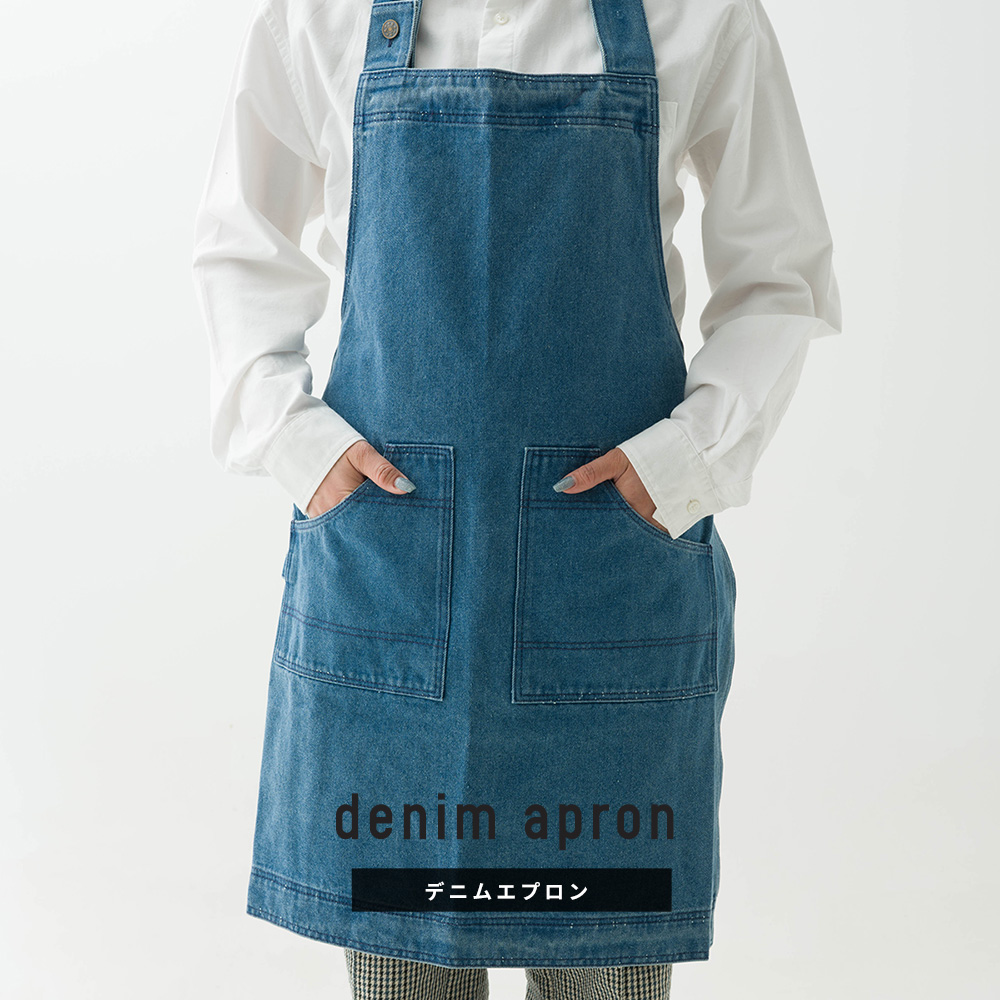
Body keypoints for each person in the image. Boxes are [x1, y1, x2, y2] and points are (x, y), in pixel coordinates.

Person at [192, 0, 841, 997]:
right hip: (396, 584)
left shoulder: (701, 16)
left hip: (606, 591)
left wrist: (687, 461)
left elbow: (780, 275)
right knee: (407, 968)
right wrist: (293, 441)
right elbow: (242, 246)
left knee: (604, 962)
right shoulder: (320, 15)